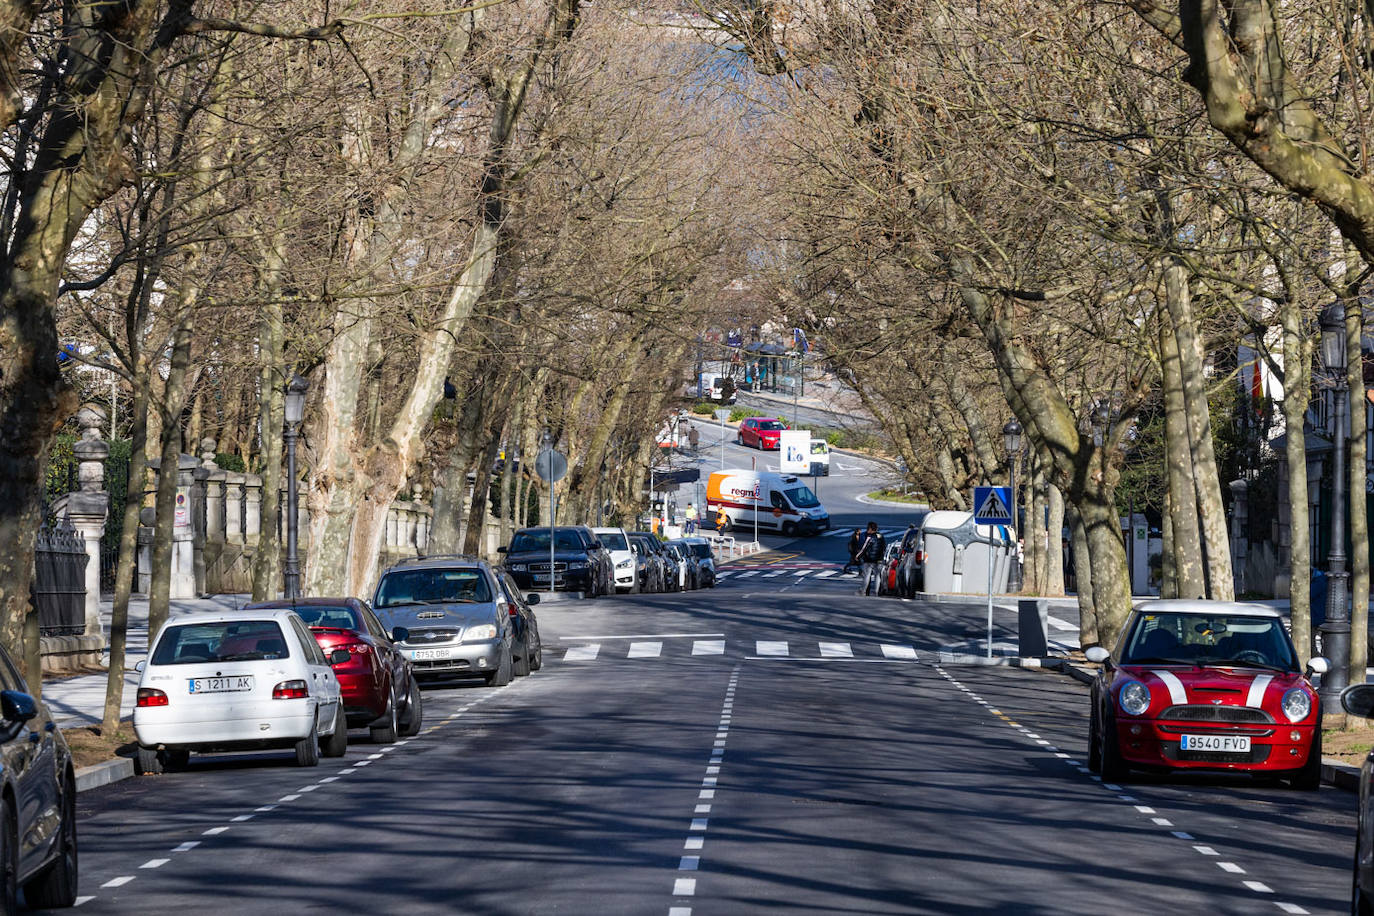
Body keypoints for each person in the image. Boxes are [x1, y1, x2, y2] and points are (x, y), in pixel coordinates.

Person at [856, 522, 886, 596]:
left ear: (870, 529)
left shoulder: (869, 537)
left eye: (868, 528)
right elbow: (884, 547)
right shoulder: (881, 536)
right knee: (877, 576)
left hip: (869, 559)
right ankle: (876, 592)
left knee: (867, 576)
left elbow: (864, 548)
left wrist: (858, 556)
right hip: (879, 559)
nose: (867, 530)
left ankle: (863, 591)